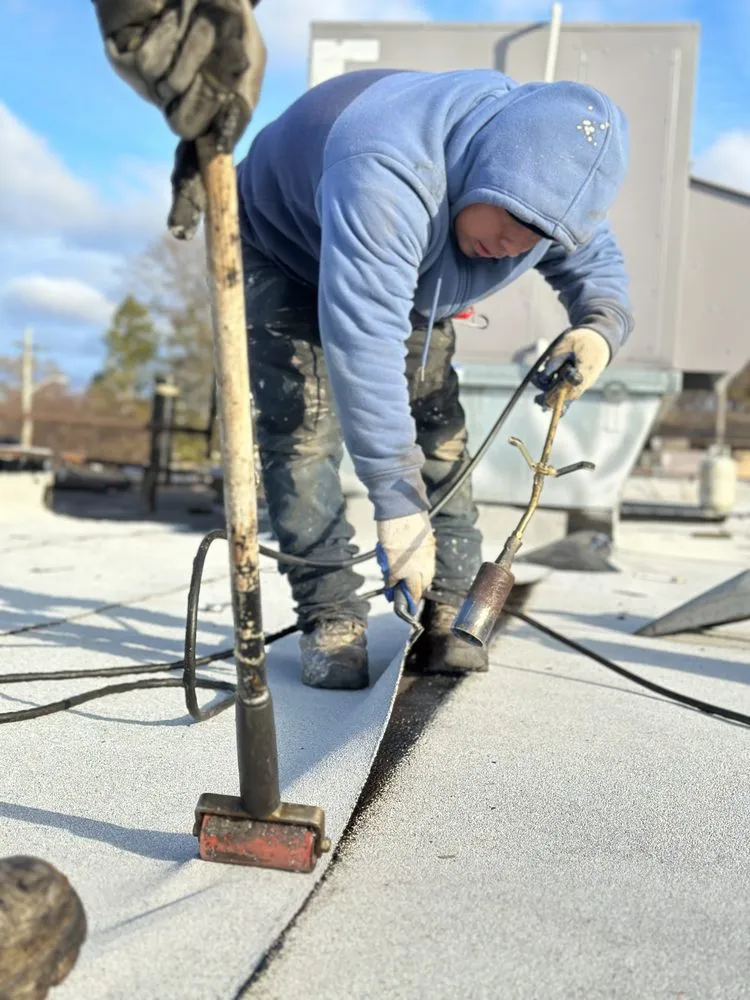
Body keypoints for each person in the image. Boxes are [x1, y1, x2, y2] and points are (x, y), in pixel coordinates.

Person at [235, 68, 633, 690]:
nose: (513, 245)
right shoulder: (387, 168)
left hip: (408, 266)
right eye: (509, 219)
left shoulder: (549, 191)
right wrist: (396, 502)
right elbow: (364, 336)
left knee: (441, 430)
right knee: (305, 430)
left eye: (538, 235)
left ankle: (450, 604)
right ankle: (331, 617)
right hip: (286, 243)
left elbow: (598, 263)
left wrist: (600, 327)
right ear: (485, 168)